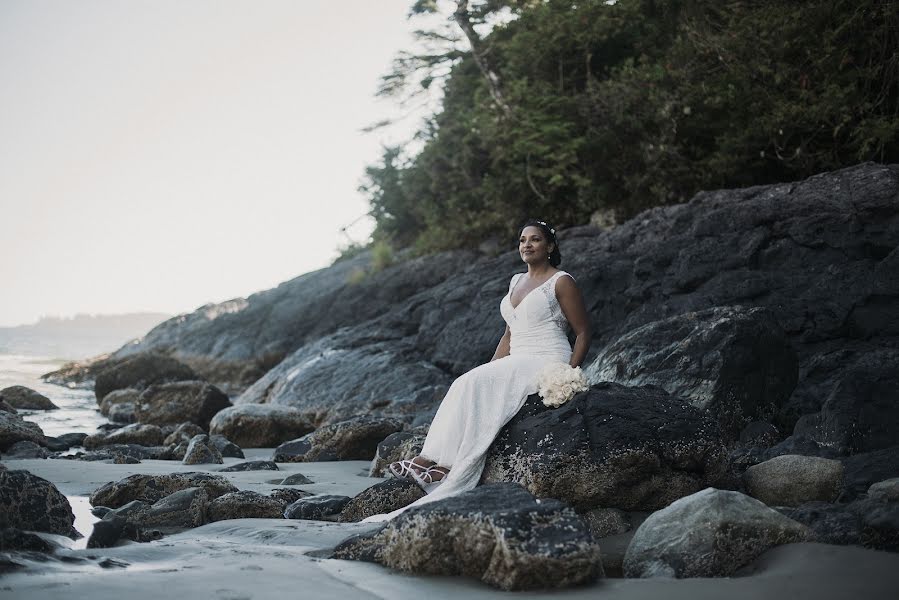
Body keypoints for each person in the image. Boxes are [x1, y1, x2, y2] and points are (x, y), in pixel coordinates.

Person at [361, 219, 591, 522]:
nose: (527, 245)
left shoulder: (561, 281)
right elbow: (509, 335)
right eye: (522, 240)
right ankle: (431, 462)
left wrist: (568, 373)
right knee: (465, 383)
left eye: (535, 240)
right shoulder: (514, 282)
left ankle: (447, 468)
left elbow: (584, 331)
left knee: (471, 382)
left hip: (546, 357)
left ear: (550, 246)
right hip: (516, 357)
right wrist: (489, 369)